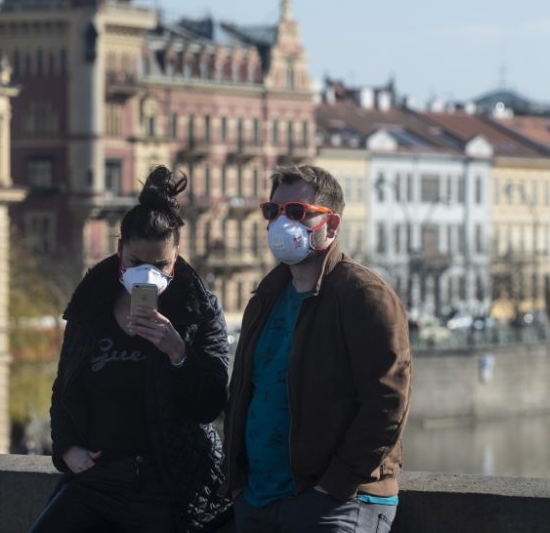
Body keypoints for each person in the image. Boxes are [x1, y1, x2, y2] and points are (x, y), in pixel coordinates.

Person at [30, 166, 232, 533]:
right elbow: (66, 388)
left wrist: (178, 354)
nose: (147, 275)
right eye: (137, 264)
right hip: (100, 478)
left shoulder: (197, 309)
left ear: (177, 256)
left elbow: (212, 402)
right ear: (121, 251)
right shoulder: (92, 305)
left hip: (169, 483)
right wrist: (66, 449)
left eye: (160, 265)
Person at [223, 164, 411, 532]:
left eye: (296, 212)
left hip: (339, 502)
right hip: (258, 500)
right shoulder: (265, 296)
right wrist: (236, 484)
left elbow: (387, 403)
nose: (281, 223)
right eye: (272, 212)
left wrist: (333, 487)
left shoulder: (364, 295)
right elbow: (245, 390)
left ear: (332, 225)